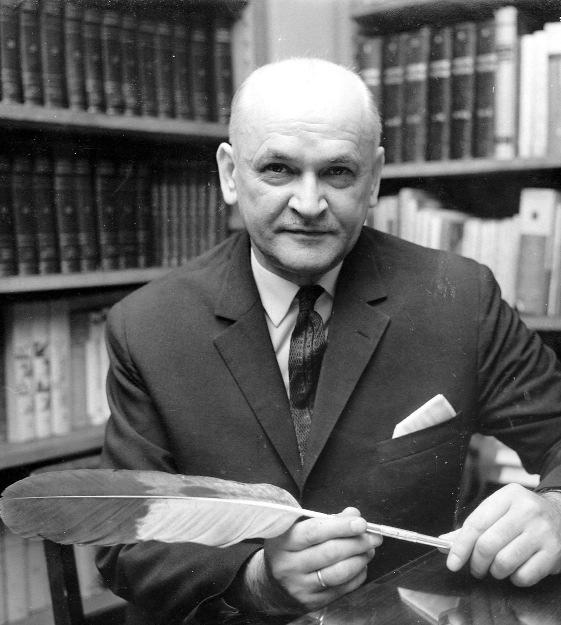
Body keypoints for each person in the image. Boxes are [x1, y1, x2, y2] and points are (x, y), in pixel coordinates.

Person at [97, 58, 561, 624]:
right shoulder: (147, 325)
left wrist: (556, 509)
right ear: (229, 173)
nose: (310, 203)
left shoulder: (461, 297)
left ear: (374, 178)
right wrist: (256, 581)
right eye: (278, 169)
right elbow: (123, 543)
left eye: (338, 172)